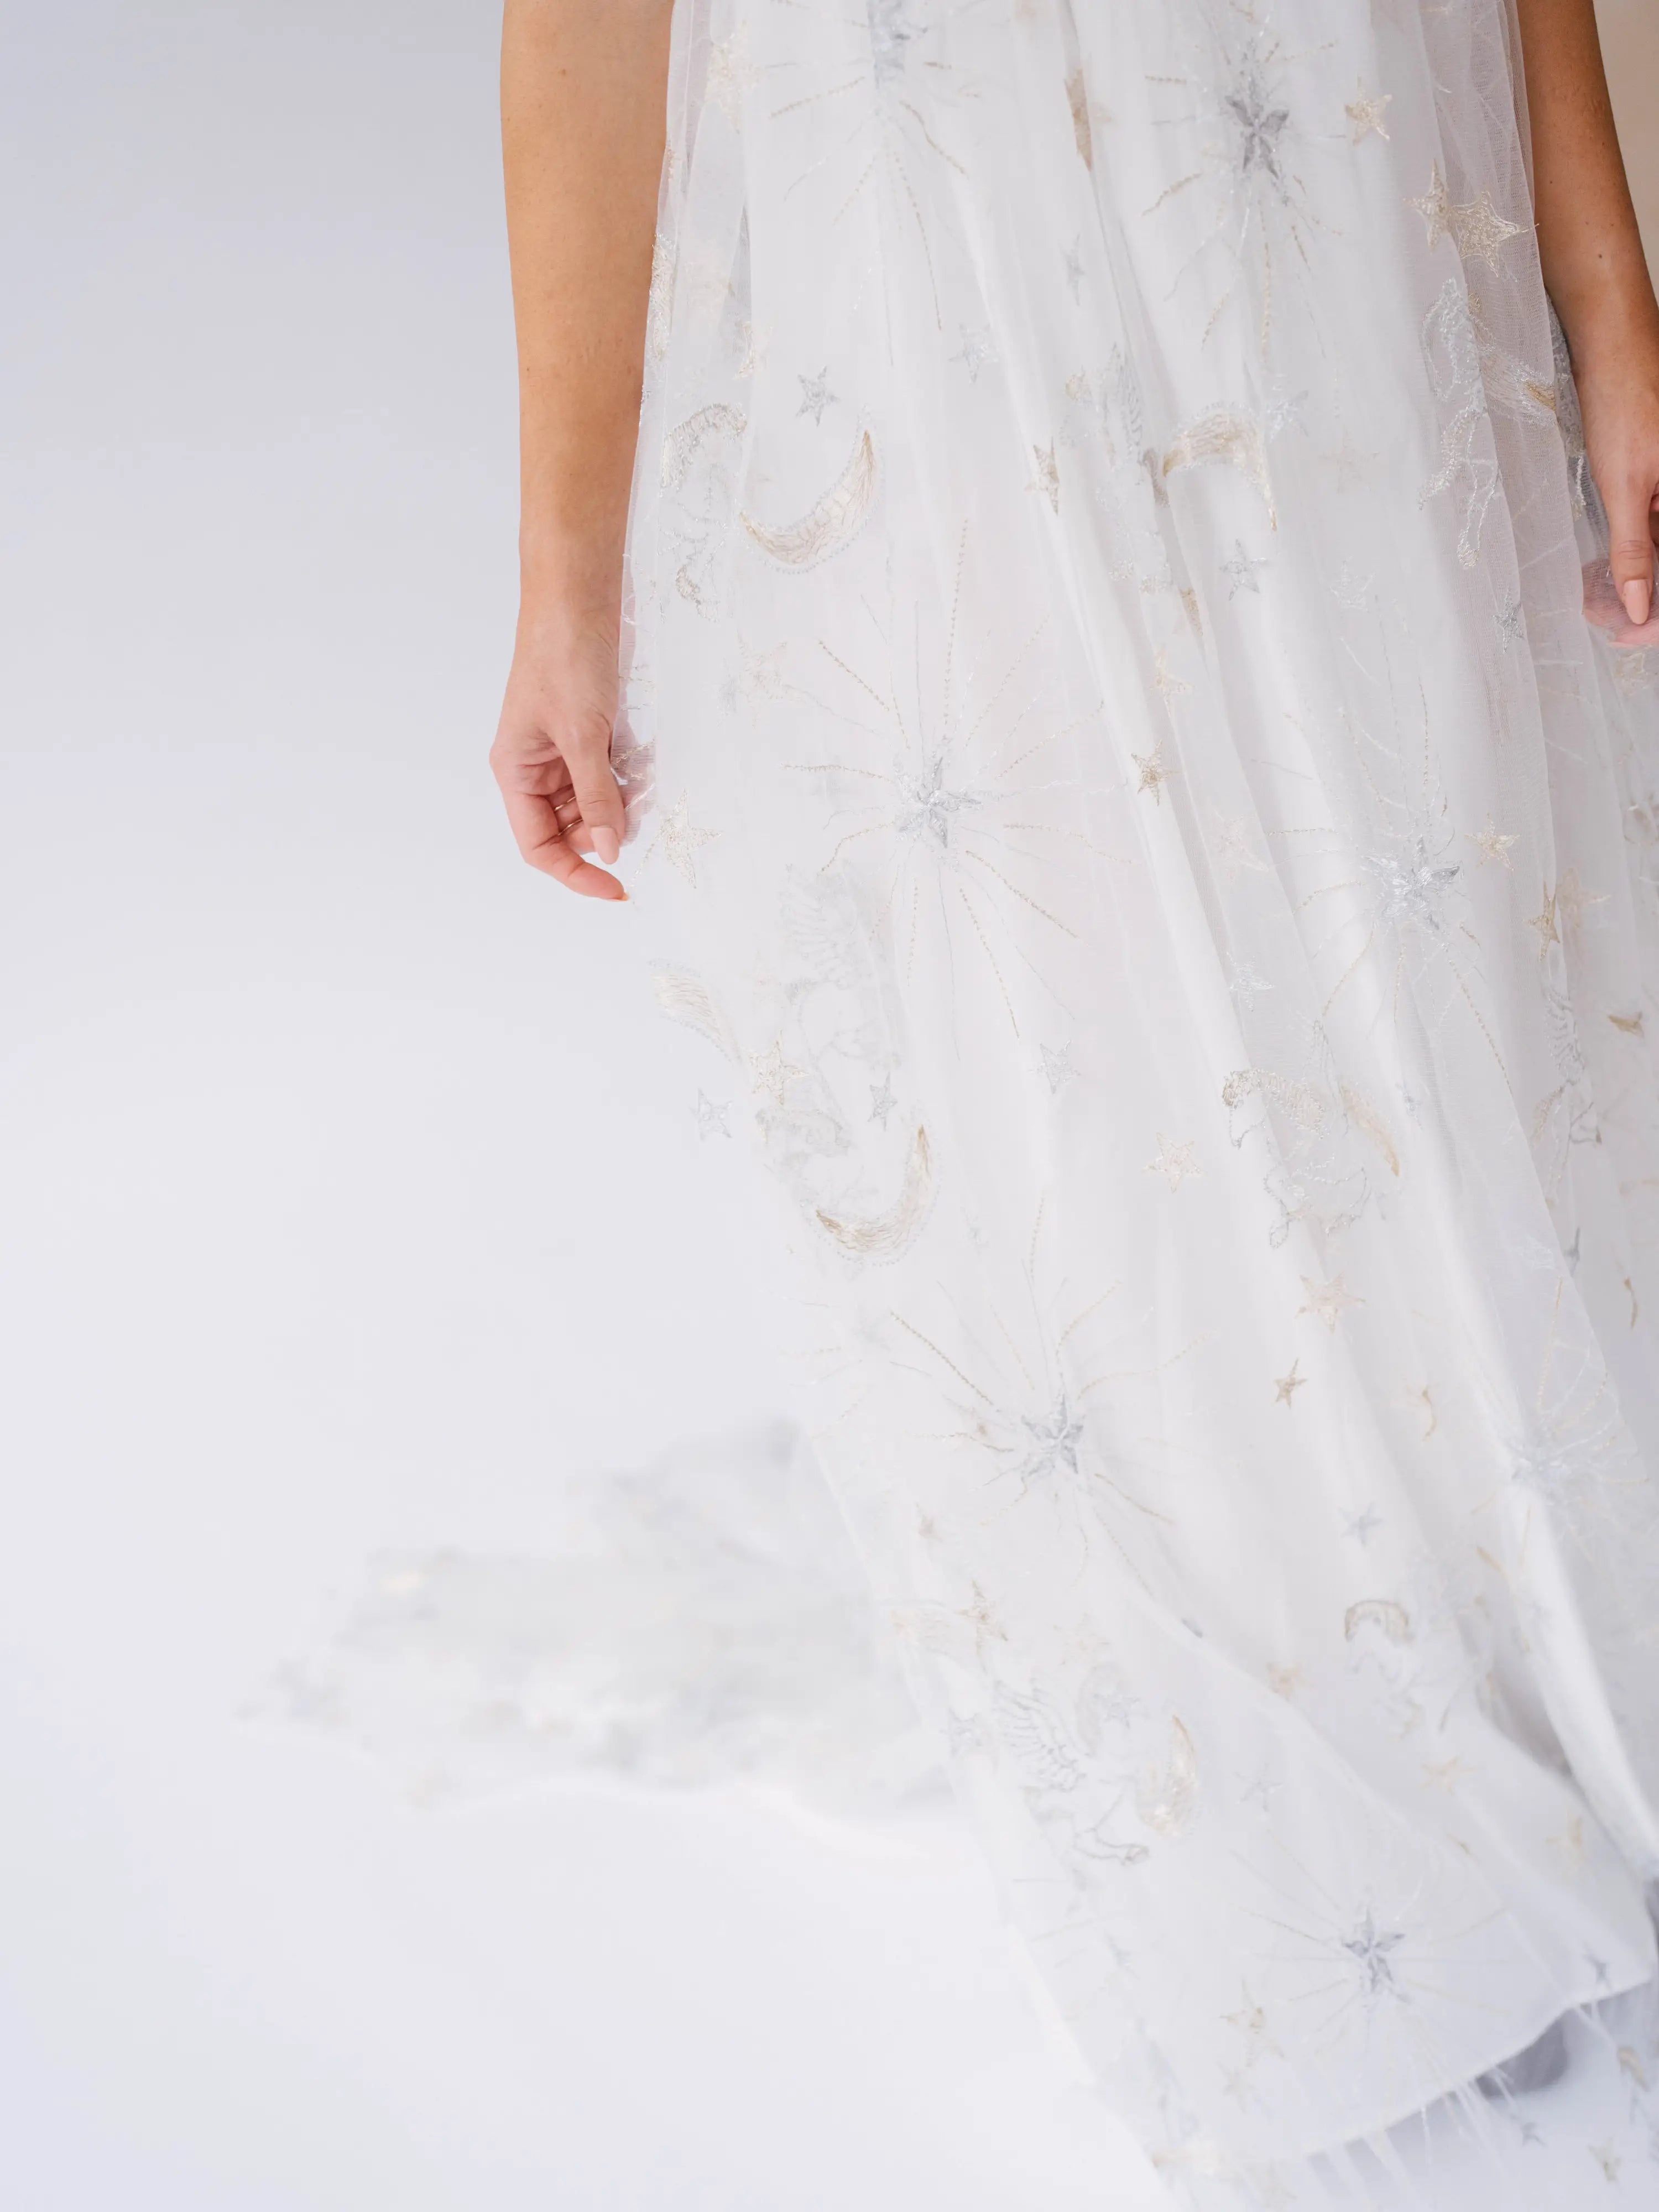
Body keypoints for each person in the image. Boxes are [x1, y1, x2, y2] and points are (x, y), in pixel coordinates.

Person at [492, 3, 1659, 2203]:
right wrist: (564, 559)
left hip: (1324, 178)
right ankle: (1290, 1794)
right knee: (1067, 991)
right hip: (935, 235)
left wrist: (1607, 290)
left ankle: (1507, 1650)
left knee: (1425, 941)